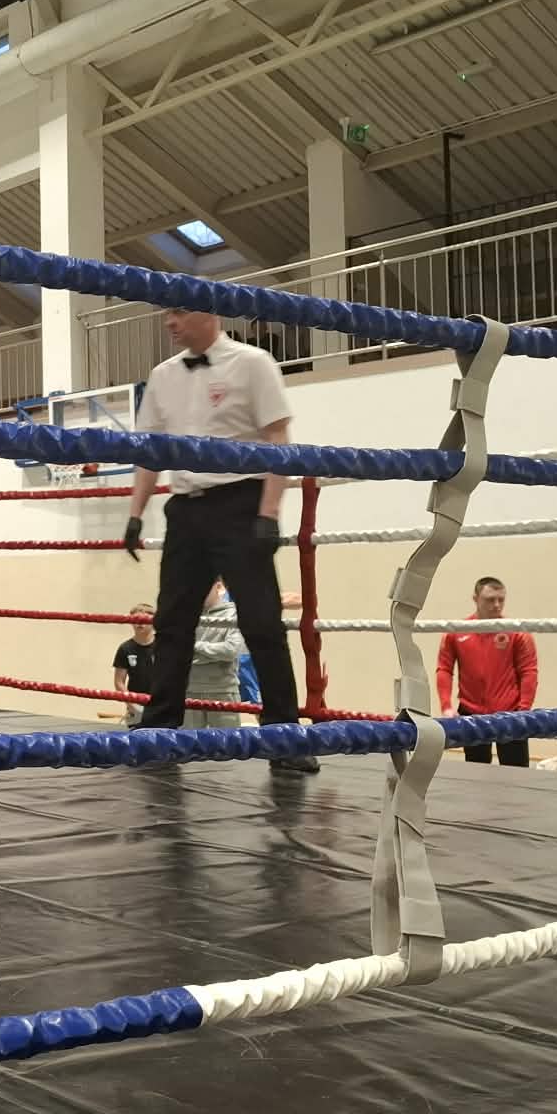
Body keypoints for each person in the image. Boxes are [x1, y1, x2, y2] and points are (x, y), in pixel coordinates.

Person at [123, 308, 317, 777]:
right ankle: (160, 729)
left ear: (206, 311)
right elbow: (150, 451)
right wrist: (134, 514)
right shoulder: (163, 375)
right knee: (172, 623)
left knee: (262, 623)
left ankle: (284, 736)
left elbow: (278, 439)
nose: (169, 323)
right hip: (186, 507)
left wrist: (269, 512)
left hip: (241, 503)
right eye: (165, 313)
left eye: (178, 312)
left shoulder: (252, 362)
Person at [436, 576, 538, 766]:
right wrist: (446, 706)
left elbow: (529, 671)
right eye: (490, 600)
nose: (497, 605)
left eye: (501, 600)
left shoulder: (517, 631)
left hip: (510, 713)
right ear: (475, 599)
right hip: (471, 712)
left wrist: (524, 710)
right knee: (476, 770)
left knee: (516, 773)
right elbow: (444, 669)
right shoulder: (456, 631)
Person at [186, 581, 244, 729]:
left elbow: (230, 650)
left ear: (218, 587)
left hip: (223, 690)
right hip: (189, 690)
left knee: (228, 741)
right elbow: (179, 650)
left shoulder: (234, 613)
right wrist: (213, 654)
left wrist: (195, 647)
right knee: (188, 741)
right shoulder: (185, 613)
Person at [111, 603, 155, 727]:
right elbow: (119, 682)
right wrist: (133, 706)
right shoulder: (125, 648)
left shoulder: (163, 646)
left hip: (160, 705)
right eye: (136, 620)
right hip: (136, 706)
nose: (139, 624)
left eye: (143, 620)